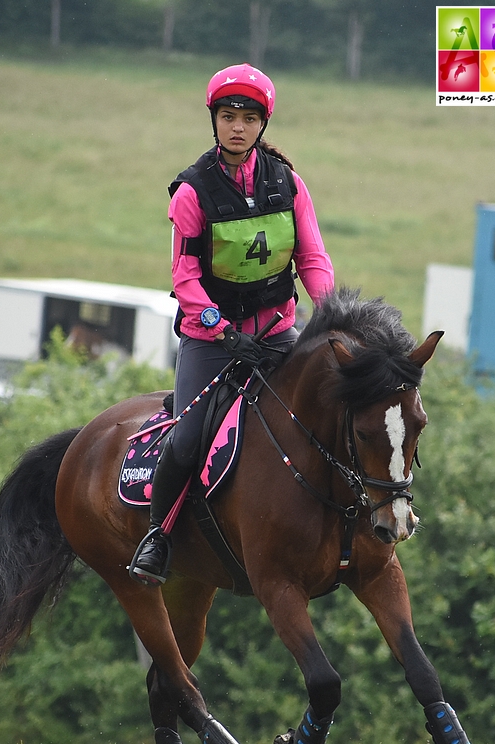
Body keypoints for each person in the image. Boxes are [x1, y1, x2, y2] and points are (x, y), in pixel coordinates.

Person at [129, 62, 334, 586]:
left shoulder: (288, 183)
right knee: (188, 437)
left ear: (262, 124)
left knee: (331, 404)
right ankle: (159, 537)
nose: (237, 126)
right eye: (227, 116)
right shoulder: (192, 193)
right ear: (214, 122)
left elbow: (311, 258)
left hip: (276, 333)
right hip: (213, 340)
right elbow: (185, 278)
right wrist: (222, 330)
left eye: (247, 117)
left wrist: (330, 314)